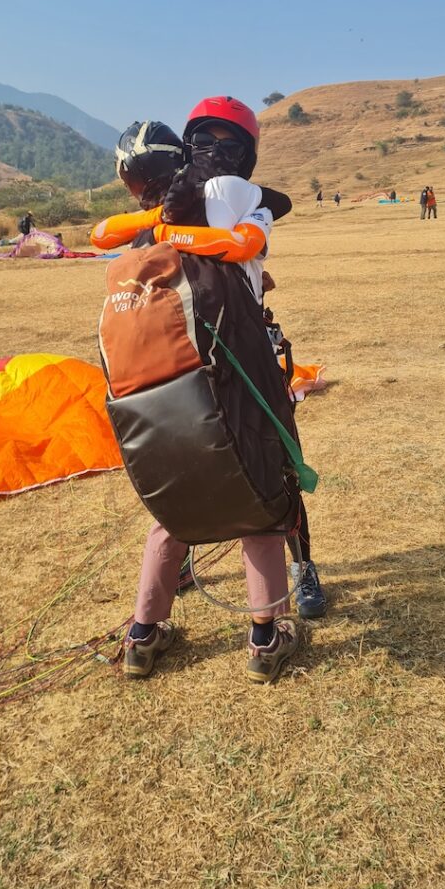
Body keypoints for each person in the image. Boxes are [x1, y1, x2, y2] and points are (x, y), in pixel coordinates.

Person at [114, 100, 319, 682]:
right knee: (259, 498)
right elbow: (245, 248)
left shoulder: (151, 220)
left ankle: (142, 636)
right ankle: (266, 638)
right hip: (230, 375)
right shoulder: (242, 196)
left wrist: (164, 229)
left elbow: (104, 235)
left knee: (178, 503)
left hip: (153, 387)